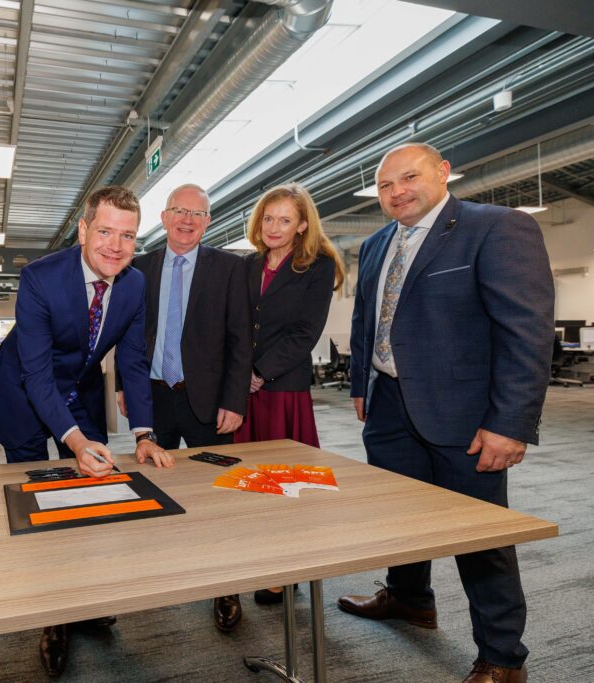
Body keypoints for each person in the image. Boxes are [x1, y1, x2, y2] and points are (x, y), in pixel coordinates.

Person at [341, 143, 554, 683]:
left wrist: (511, 422)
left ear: (443, 173)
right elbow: (367, 320)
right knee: (401, 517)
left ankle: (504, 657)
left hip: (465, 415)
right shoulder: (373, 245)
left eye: (408, 178)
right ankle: (411, 599)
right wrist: (361, 384)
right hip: (389, 406)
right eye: (386, 185)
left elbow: (525, 332)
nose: (397, 192)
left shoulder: (496, 227)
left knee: (480, 537)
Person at [0, 185, 174, 677]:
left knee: (95, 492)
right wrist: (72, 439)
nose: (115, 245)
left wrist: (144, 434)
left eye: (128, 235)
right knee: (36, 502)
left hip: (79, 389)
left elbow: (133, 361)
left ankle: (85, 599)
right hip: (24, 392)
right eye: (105, 231)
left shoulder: (133, 285)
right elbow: (37, 374)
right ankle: (52, 617)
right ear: (84, 229)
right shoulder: (40, 279)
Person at [115, 184, 252, 633]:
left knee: (218, 493)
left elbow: (240, 340)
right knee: (152, 487)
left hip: (209, 400)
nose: (187, 219)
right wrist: (123, 386)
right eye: (179, 210)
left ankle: (225, 587)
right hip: (153, 396)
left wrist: (235, 400)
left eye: (198, 213)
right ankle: (163, 574)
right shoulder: (140, 266)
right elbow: (126, 334)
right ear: (164, 215)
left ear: (208, 221)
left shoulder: (231, 268)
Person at [223, 183, 346, 619]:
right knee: (247, 482)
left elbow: (304, 334)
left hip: (281, 389)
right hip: (242, 390)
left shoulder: (317, 266)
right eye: (268, 218)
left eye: (284, 220)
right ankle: (253, 557)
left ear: (303, 225)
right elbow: (234, 325)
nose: (273, 227)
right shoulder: (246, 264)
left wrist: (260, 373)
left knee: (284, 484)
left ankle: (287, 567)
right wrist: (238, 377)